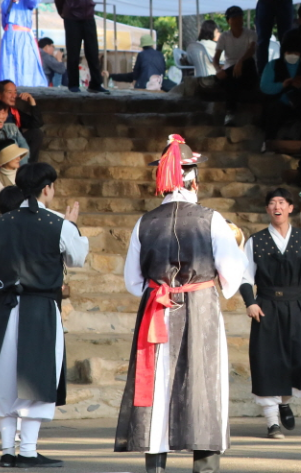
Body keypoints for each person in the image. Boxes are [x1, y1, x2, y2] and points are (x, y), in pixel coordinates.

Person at [114, 134, 247, 473]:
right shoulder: (212, 220)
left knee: (157, 386)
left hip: (157, 310)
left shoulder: (144, 222)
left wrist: (162, 286)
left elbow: (133, 282)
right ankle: (204, 464)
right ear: (194, 179)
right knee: (203, 382)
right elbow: (232, 277)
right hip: (200, 308)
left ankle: (155, 464)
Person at [0, 162, 87, 468]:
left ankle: (8, 450)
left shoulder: (0, 223)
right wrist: (73, 226)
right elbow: (77, 259)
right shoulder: (58, 223)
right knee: (36, 378)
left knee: (5, 379)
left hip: (4, 310)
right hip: (40, 309)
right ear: (47, 188)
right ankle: (28, 451)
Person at [241, 187, 301, 439]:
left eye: (282, 202)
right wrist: (250, 302)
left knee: (300, 356)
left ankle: (284, 401)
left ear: (290, 208)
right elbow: (245, 277)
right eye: (272, 202)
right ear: (267, 209)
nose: (277, 207)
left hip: (296, 306)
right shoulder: (256, 241)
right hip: (266, 307)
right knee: (267, 361)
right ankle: (272, 421)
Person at [53, 0, 108, 94]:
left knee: (93, 51)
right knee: (73, 52)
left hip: (88, 16)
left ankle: (95, 84)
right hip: (72, 17)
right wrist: (63, 12)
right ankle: (73, 84)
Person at [258, 34, 301, 141]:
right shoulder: (272, 65)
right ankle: (269, 142)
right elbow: (264, 86)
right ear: (283, 52)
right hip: (279, 102)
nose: (292, 55)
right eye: (289, 52)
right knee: (273, 109)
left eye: (295, 53)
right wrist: (282, 85)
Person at [0, 0, 48, 87]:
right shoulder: (6, 2)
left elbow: (34, 1)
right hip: (9, 37)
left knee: (25, 65)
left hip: (23, 38)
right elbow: (4, 23)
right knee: (8, 67)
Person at [212, 5, 258, 109]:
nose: (237, 21)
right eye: (234, 18)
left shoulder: (251, 34)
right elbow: (216, 58)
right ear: (228, 21)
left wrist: (240, 62)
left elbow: (252, 49)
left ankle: (230, 112)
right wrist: (218, 69)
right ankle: (231, 112)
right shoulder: (224, 36)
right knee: (231, 81)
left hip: (246, 70)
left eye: (239, 17)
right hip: (231, 72)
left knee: (249, 62)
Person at [0, 81, 45, 164]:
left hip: (17, 144)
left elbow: (36, 124)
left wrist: (32, 104)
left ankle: (28, 169)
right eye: (10, 92)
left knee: (36, 133)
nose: (14, 96)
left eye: (15, 92)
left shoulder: (14, 112)